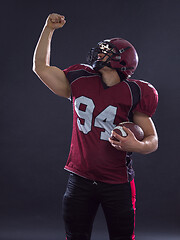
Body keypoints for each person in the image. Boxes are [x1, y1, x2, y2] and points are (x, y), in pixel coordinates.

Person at [33, 13, 158, 240]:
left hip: (117, 182)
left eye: (107, 52)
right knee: (75, 236)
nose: (99, 54)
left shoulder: (135, 92)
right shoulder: (81, 79)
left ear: (122, 61)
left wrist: (136, 145)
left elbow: (152, 140)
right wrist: (48, 30)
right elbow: (40, 68)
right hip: (79, 178)